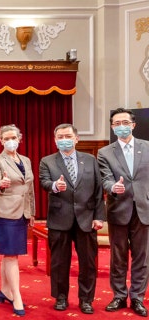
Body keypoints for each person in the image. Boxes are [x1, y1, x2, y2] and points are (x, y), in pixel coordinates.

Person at [39, 123, 104, 314]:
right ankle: (60, 297)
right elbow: (43, 181)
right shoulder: (48, 161)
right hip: (60, 218)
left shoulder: (90, 159)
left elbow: (99, 190)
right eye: (60, 137)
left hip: (87, 218)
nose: (64, 140)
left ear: (76, 138)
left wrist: (99, 216)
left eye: (67, 136)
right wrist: (54, 186)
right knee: (59, 262)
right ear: (55, 140)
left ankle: (86, 299)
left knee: (88, 262)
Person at [97, 108, 149, 317]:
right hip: (119, 208)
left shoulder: (147, 148)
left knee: (141, 257)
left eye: (124, 122)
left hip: (144, 210)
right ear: (112, 127)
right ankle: (119, 295)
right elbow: (105, 177)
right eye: (116, 123)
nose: (121, 126)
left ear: (133, 125)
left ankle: (137, 297)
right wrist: (112, 187)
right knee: (117, 257)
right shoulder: (105, 152)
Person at [0, 124, 35, 317]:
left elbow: (29, 188)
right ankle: (17, 296)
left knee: (9, 255)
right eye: (6, 138)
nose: (10, 141)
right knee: (11, 256)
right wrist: (2, 184)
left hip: (22, 212)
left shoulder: (26, 160)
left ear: (19, 139)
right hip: (4, 212)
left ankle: (5, 290)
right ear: (1, 141)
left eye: (13, 137)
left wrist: (31, 212)